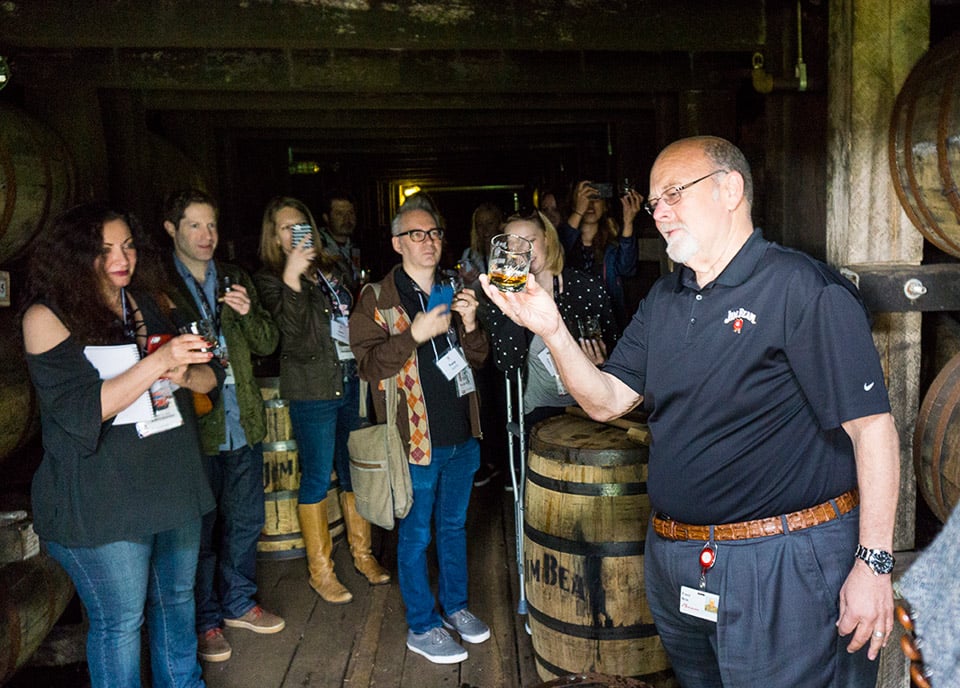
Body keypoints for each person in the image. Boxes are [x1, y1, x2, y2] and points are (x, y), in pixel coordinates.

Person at [480, 136, 900, 688]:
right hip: (680, 559)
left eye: (675, 193)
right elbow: (605, 401)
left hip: (782, 562)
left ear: (731, 189)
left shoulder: (801, 289)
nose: (661, 213)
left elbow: (873, 429)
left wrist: (873, 564)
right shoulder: (665, 300)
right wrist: (551, 327)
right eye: (655, 203)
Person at [21, 202, 220, 687]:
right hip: (103, 500)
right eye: (104, 248)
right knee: (120, 624)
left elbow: (210, 379)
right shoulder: (47, 318)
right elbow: (84, 409)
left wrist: (183, 369)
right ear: (73, 255)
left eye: (127, 245)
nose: (121, 257)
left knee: (177, 603)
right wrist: (159, 361)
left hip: (171, 484)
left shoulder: (151, 302)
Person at [349, 203, 490, 664]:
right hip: (414, 441)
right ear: (396, 243)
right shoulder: (377, 298)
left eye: (434, 232)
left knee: (453, 528)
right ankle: (422, 625)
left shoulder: (455, 287)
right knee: (415, 537)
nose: (428, 241)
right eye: (416, 234)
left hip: (461, 436)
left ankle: (455, 607)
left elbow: (478, 358)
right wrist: (415, 334)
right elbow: (369, 366)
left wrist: (470, 326)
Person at [162, 188, 284, 663]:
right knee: (204, 528)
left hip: (243, 420)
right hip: (196, 428)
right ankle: (206, 620)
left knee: (248, 519)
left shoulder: (234, 277)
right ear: (171, 229)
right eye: (194, 225)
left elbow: (267, 341)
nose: (206, 235)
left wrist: (248, 313)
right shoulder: (160, 287)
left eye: (211, 225)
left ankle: (238, 602)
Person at [254, 196, 391, 605]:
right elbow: (287, 336)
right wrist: (293, 279)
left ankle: (363, 555)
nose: (297, 233)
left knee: (353, 471)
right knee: (315, 476)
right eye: (286, 227)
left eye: (302, 225)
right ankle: (321, 571)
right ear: (274, 237)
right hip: (312, 389)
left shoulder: (331, 269)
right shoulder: (269, 280)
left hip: (348, 379)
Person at [479, 209, 615, 435]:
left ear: (547, 240)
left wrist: (604, 360)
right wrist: (515, 302)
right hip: (538, 412)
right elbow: (507, 364)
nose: (521, 253)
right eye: (512, 247)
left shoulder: (586, 288)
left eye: (529, 241)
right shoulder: (503, 298)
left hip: (590, 406)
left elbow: (618, 350)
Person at [559, 179, 641, 332]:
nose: (590, 204)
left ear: (605, 206)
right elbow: (556, 255)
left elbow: (627, 269)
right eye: (585, 198)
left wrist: (628, 221)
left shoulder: (613, 245)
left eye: (596, 198)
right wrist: (578, 212)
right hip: (570, 318)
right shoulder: (563, 241)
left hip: (608, 318)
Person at [318, 190, 362, 293]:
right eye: (339, 214)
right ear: (326, 218)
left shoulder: (362, 245)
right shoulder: (317, 248)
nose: (347, 219)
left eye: (350, 213)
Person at [457, 202, 503, 289]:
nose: (485, 229)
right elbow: (460, 288)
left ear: (499, 224)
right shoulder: (469, 255)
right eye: (480, 225)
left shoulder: (507, 253)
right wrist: (466, 282)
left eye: (490, 223)